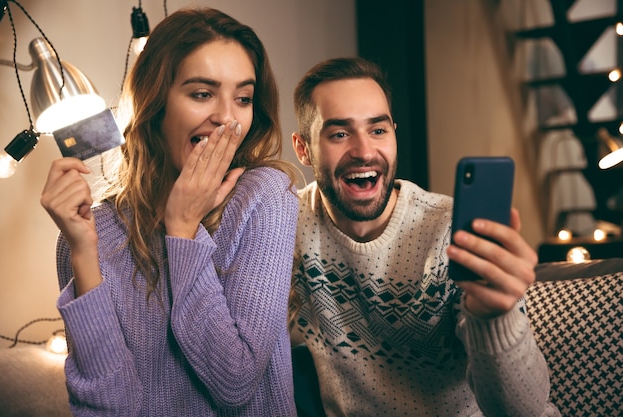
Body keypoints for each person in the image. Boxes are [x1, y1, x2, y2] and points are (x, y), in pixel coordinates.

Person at [40, 7, 298, 416]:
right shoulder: (93, 231)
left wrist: (183, 229)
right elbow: (109, 408)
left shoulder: (265, 197)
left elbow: (236, 383)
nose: (227, 118)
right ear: (156, 103)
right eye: (202, 94)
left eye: (243, 98)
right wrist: (83, 253)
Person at [289, 57, 561, 416]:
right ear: (303, 148)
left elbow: (523, 410)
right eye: (340, 133)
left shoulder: (449, 233)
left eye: (378, 130)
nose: (365, 151)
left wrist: (495, 317)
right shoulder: (284, 226)